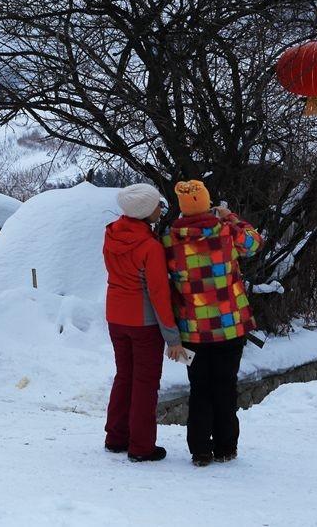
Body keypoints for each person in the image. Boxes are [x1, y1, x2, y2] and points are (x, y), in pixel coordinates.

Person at [162, 180, 262, 467]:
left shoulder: (169, 241)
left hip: (193, 332)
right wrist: (228, 215)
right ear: (207, 204)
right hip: (230, 327)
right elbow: (255, 241)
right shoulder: (226, 232)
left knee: (199, 389)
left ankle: (201, 452)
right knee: (225, 387)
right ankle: (226, 447)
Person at [103, 183, 186, 463]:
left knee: (124, 376)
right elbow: (159, 294)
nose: (160, 209)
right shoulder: (149, 247)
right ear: (144, 212)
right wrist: (172, 337)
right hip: (143, 322)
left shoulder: (111, 235)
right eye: (156, 206)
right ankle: (141, 447)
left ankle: (116, 437)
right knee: (145, 383)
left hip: (115, 316)